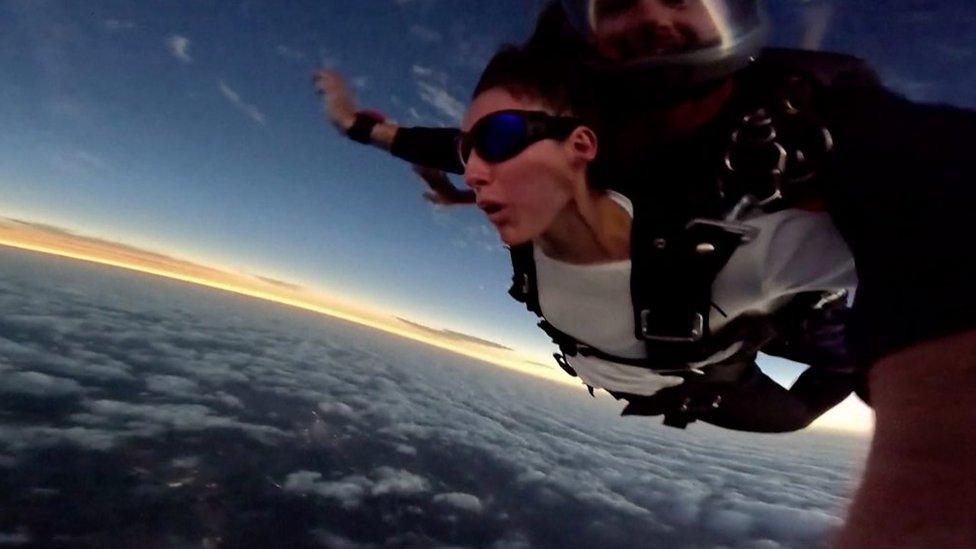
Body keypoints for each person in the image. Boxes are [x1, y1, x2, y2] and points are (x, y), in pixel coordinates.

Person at [315, 2, 976, 545]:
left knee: (810, 379)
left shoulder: (820, 120)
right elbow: (468, 144)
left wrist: (935, 452)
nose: (656, 10)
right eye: (623, 0)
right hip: (709, 331)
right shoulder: (571, 135)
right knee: (794, 405)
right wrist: (364, 130)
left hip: (746, 308)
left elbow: (936, 187)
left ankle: (828, 333)